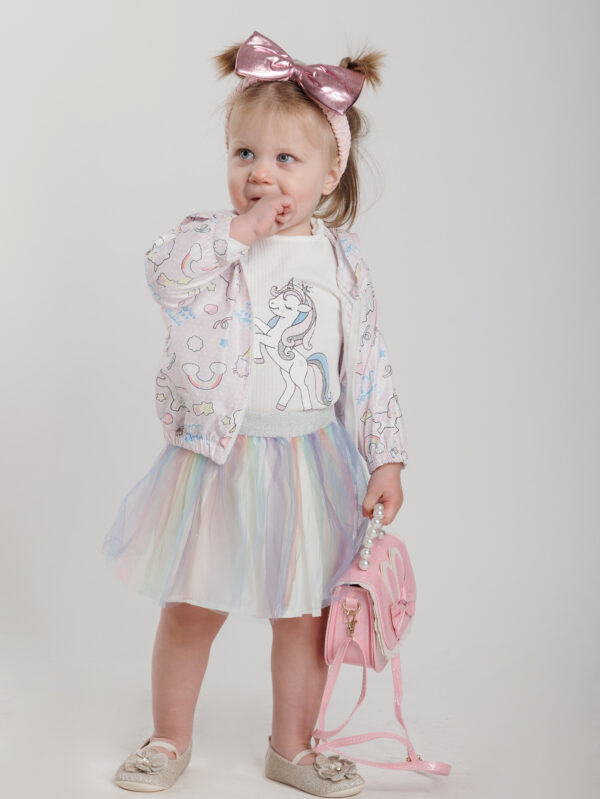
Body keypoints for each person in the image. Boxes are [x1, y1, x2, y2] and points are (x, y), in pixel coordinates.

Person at [102, 30, 409, 797]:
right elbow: (164, 276)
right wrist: (236, 234)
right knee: (191, 605)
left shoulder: (342, 261)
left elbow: (368, 365)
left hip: (309, 463)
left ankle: (292, 746)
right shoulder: (210, 241)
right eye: (244, 154)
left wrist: (386, 455)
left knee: (303, 616)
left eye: (284, 158)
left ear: (329, 172)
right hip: (217, 458)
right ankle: (168, 736)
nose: (261, 174)